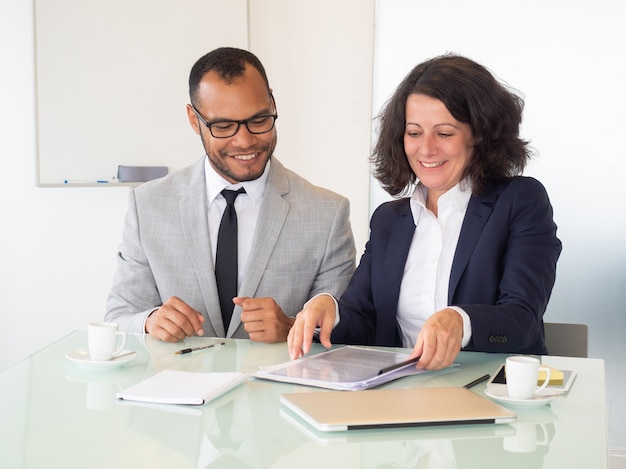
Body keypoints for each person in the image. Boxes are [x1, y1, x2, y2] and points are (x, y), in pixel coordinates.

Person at [288, 54, 562, 370]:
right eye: (414, 133)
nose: (427, 149)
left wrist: (460, 321)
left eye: (444, 133)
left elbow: (523, 319)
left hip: (488, 394)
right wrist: (329, 309)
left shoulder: (520, 201)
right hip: (397, 396)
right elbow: (364, 318)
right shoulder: (389, 220)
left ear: (480, 134)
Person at [106, 47, 356, 343]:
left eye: (259, 120)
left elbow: (347, 333)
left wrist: (290, 327)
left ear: (271, 102)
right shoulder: (147, 206)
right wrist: (150, 322)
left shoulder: (327, 214)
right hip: (181, 385)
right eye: (223, 126)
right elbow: (120, 317)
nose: (245, 140)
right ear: (193, 119)